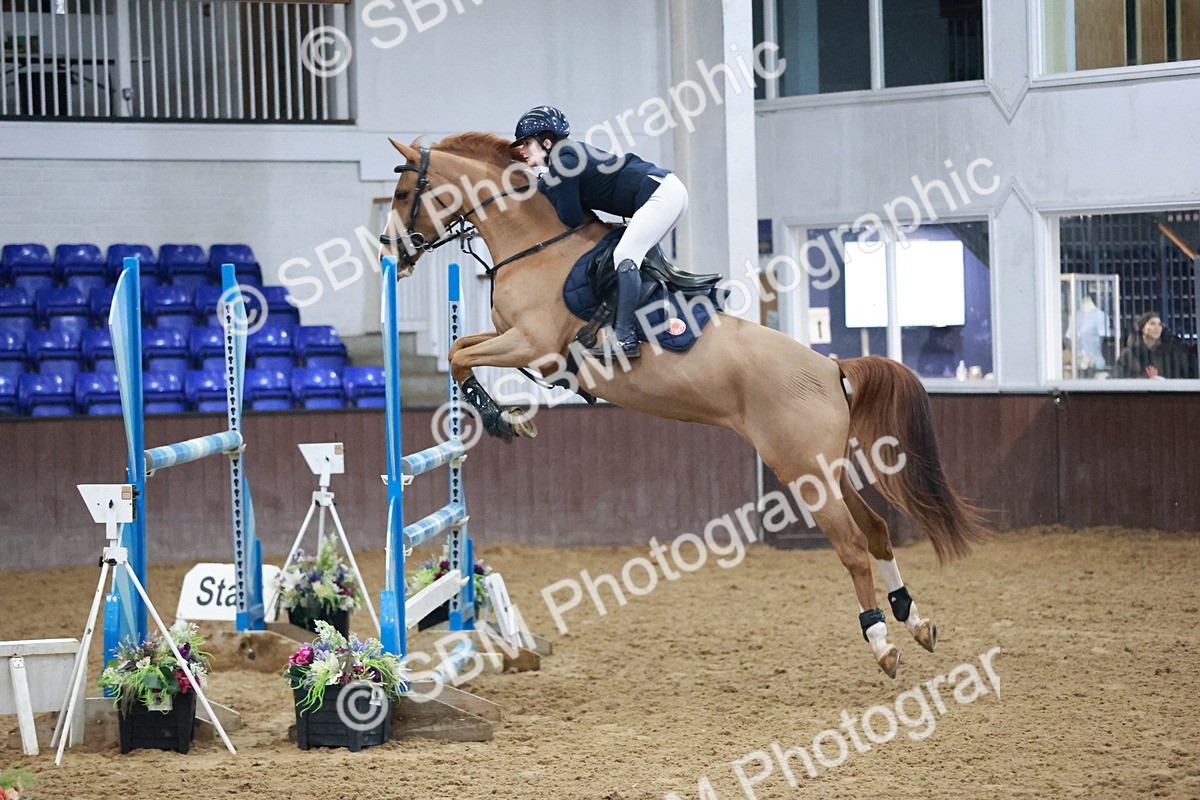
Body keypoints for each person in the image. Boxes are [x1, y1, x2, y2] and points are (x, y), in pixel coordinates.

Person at [511, 105, 689, 360]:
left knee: (625, 255)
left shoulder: (564, 160)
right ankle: (649, 320)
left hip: (660, 194)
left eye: (527, 142)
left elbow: (571, 217)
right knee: (632, 257)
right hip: (667, 191)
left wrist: (545, 186)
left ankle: (625, 338)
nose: (522, 150)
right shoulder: (566, 155)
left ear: (546, 142)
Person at [1115, 311, 1194, 379]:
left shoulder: (1170, 352)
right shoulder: (1128, 354)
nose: (1157, 328)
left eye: (1159, 324)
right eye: (1152, 324)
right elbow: (1119, 378)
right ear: (1143, 328)